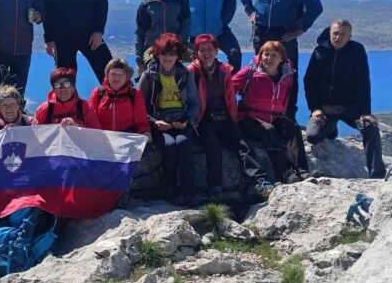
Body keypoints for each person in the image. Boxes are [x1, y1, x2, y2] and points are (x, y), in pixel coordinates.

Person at [239, 0, 323, 119]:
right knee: (261, 71)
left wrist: (300, 30)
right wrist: (250, 11)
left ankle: (288, 117)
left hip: (285, 35)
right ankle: (260, 113)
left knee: (289, 74)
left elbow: (315, 6)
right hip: (262, 34)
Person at [188, 34, 276, 200]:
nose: (207, 53)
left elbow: (230, 98)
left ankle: (260, 180)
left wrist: (234, 120)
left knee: (242, 145)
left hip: (224, 117)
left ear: (216, 50)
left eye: (210, 49)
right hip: (203, 120)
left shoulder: (224, 70)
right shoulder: (192, 72)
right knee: (213, 146)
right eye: (202, 50)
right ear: (196, 53)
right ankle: (215, 188)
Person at [304, 20, 387, 178]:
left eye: (343, 34)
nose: (338, 37)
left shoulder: (357, 51)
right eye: (335, 33)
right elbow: (310, 82)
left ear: (349, 36)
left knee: (370, 127)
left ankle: (377, 175)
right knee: (313, 137)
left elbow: (363, 82)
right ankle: (331, 127)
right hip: (325, 109)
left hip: (351, 109)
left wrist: (365, 112)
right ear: (330, 33)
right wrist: (315, 108)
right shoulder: (319, 52)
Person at [234, 40, 310, 185]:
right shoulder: (250, 72)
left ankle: (303, 171)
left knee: (292, 128)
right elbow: (229, 87)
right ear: (260, 56)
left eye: (274, 55)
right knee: (269, 130)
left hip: (274, 116)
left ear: (281, 58)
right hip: (249, 118)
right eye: (266, 54)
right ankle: (285, 173)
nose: (269, 58)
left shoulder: (287, 75)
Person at [139, 34, 199, 205]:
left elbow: (195, 103)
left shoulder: (185, 74)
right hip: (158, 121)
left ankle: (189, 192)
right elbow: (139, 106)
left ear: (178, 55)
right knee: (169, 145)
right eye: (164, 53)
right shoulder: (149, 75)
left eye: (172, 53)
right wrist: (153, 122)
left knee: (183, 143)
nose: (168, 57)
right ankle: (169, 188)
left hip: (182, 119)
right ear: (158, 54)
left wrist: (187, 120)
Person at [134, 0, 190, 75]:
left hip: (173, 53)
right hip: (152, 52)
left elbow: (185, 27)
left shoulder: (178, 3)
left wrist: (179, 47)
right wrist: (139, 60)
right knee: (152, 86)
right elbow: (140, 33)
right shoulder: (146, 5)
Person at [88, 58, 151, 139]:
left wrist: (145, 132)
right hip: (103, 139)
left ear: (126, 76)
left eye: (121, 74)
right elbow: (90, 120)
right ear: (107, 75)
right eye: (113, 74)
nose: (116, 78)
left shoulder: (135, 94)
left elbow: (142, 122)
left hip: (126, 140)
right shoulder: (98, 93)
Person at [33, 67, 101, 128]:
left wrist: (77, 127)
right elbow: (36, 135)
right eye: (57, 85)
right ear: (53, 89)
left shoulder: (86, 107)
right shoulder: (43, 110)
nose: (62, 89)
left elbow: (97, 134)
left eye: (66, 84)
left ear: (73, 87)